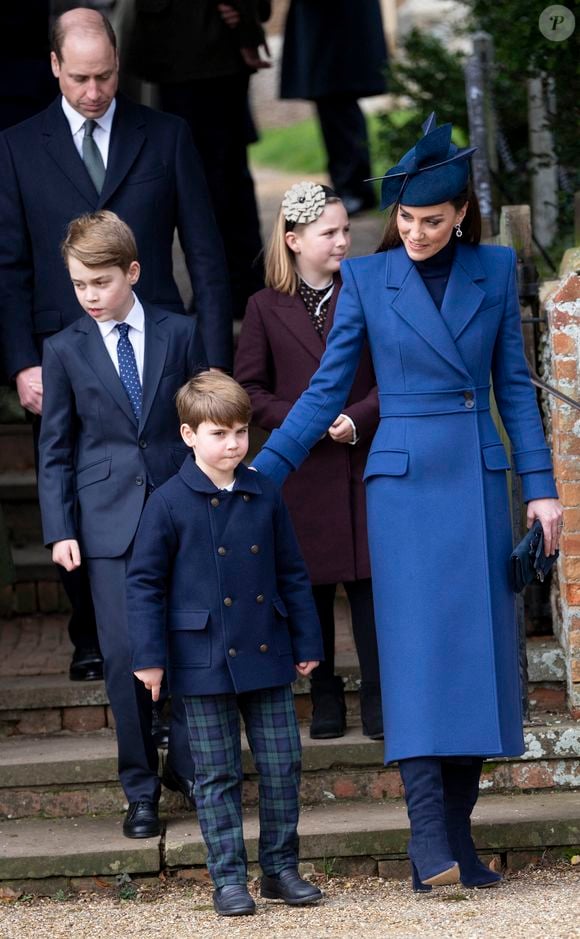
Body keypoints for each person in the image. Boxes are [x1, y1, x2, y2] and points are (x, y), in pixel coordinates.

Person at [251, 114, 563, 891]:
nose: (415, 232)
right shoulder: (366, 279)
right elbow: (327, 388)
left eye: (431, 220)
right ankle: (428, 840)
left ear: (460, 215)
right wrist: (262, 471)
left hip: (477, 480)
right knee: (419, 661)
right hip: (401, 489)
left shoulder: (493, 269)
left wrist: (546, 492)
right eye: (404, 218)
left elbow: (515, 390)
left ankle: (459, 837)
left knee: (477, 661)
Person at [0, 8, 232, 682]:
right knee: (76, 477)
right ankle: (92, 631)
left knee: (160, 479)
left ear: (118, 67)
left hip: (161, 352)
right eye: (79, 79)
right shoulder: (16, 146)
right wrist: (21, 361)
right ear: (53, 67)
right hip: (61, 350)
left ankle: (169, 621)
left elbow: (207, 256)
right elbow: (8, 266)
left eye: (104, 76)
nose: (93, 91)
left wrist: (212, 359)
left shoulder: (167, 136)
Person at [126, 372, 324, 917]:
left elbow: (292, 571)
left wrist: (306, 639)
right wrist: (148, 658)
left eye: (240, 432)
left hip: (267, 648)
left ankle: (281, 869)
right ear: (189, 435)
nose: (233, 444)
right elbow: (144, 583)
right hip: (201, 656)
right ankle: (229, 880)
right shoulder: (167, 502)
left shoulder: (265, 493)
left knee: (283, 764)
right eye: (219, 434)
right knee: (216, 775)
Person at [37, 210, 206, 837]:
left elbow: (204, 416)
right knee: (124, 657)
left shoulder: (179, 332)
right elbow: (55, 446)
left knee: (192, 640)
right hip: (105, 525)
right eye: (79, 286)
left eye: (101, 283)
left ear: (132, 272)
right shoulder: (63, 348)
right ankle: (139, 789)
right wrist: (60, 528)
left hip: (179, 509)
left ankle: (188, 767)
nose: (90, 297)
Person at [235, 181, 382, 740]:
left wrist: (358, 417)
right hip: (302, 473)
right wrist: (306, 418)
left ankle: (378, 696)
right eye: (330, 233)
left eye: (346, 230)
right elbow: (249, 389)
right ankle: (324, 696)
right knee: (309, 590)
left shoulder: (367, 290)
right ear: (294, 240)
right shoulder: (264, 308)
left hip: (362, 460)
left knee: (370, 588)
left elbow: (393, 374)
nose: (344, 241)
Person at [124, 0, 270, 319]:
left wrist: (246, 21)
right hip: (186, 50)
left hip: (203, 52)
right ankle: (239, 287)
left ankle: (228, 291)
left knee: (211, 179)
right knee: (219, 176)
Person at [280, 0, 388, 215]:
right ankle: (352, 188)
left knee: (339, 107)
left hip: (335, 32)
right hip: (328, 29)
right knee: (335, 107)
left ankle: (354, 189)